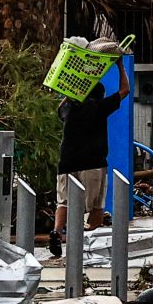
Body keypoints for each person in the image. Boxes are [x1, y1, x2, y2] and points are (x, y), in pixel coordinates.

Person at [55, 53, 127, 240]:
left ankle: (56, 232)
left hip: (67, 162)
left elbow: (61, 105)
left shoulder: (69, 108)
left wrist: (78, 84)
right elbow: (124, 90)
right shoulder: (100, 107)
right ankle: (86, 235)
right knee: (95, 206)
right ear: (100, 95)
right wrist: (120, 66)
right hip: (92, 162)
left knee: (63, 201)